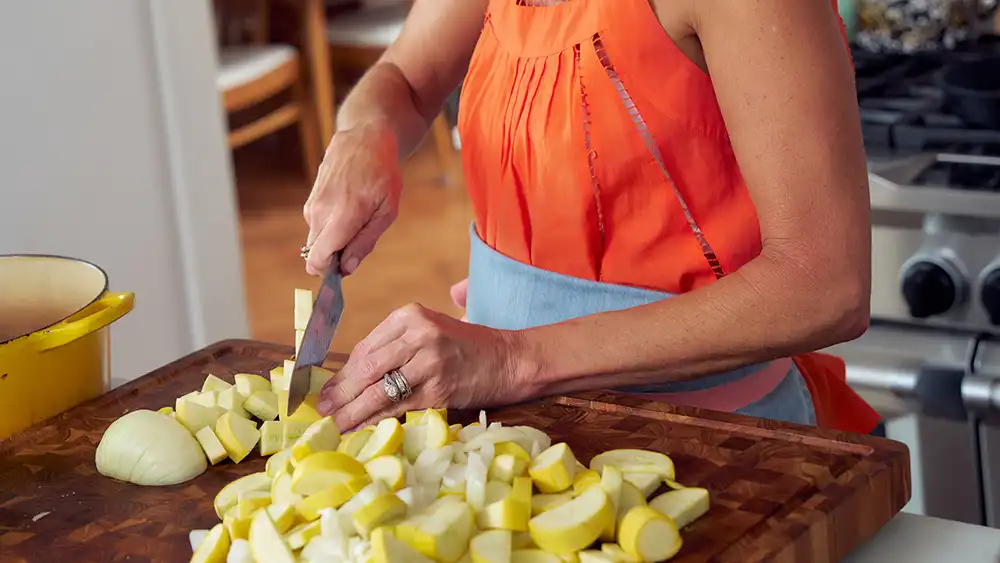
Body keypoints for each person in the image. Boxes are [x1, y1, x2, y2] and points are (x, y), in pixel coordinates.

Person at [303, 0, 880, 435]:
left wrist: (511, 358)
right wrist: (366, 132)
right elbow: (402, 80)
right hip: (511, 436)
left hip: (713, 442)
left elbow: (825, 284)